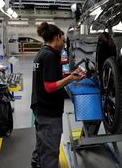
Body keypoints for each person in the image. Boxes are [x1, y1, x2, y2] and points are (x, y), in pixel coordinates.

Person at [31, 22, 85, 168]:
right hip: (48, 111)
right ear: (57, 37)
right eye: (63, 39)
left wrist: (70, 74)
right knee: (50, 150)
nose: (64, 43)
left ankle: (37, 162)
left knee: (42, 142)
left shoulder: (43, 53)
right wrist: (70, 79)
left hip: (41, 108)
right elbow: (49, 86)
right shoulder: (48, 56)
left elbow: (51, 77)